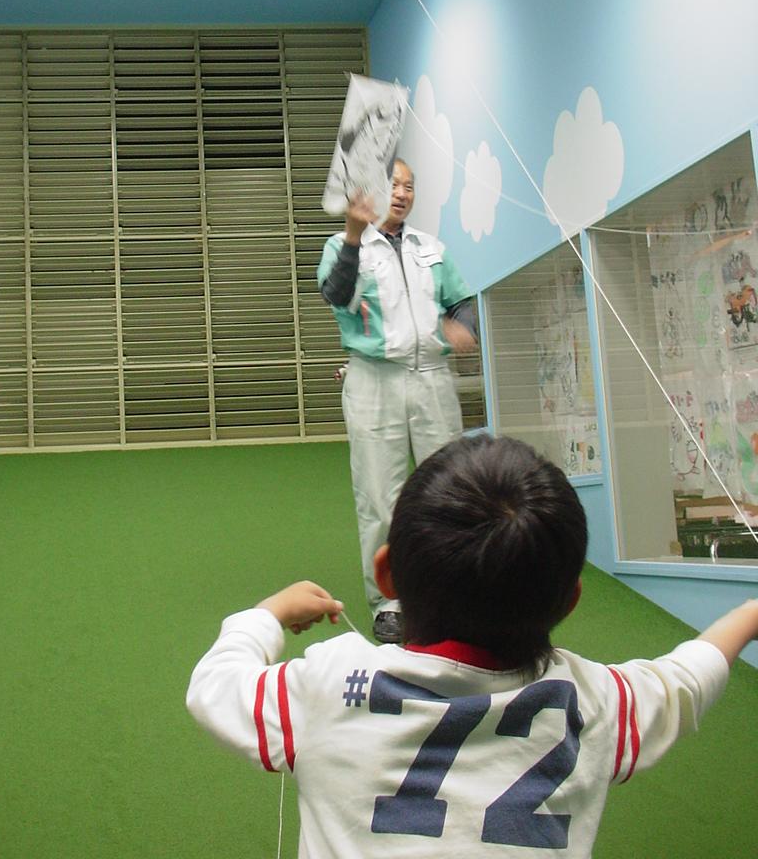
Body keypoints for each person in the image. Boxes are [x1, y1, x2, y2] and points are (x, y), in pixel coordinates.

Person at [187, 434, 758, 859]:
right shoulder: (600, 700)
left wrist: (266, 616)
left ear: (386, 575)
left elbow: (215, 684)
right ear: (570, 601)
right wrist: (750, 615)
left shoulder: (327, 683)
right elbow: (687, 677)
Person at [317, 158, 477, 643]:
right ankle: (390, 603)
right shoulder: (343, 246)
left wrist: (463, 327)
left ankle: (454, 594)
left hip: (432, 378)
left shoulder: (432, 248)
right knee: (380, 497)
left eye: (410, 185)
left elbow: (461, 301)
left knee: (451, 490)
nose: (403, 193)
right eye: (394, 185)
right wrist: (352, 235)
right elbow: (336, 295)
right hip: (373, 379)